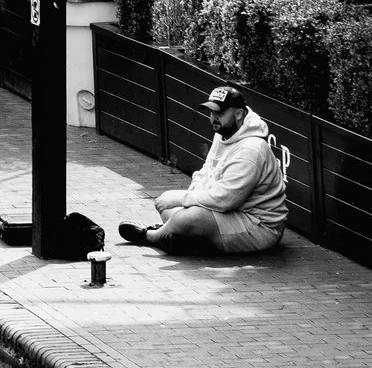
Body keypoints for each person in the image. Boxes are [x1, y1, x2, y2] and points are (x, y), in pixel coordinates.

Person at [120, 86, 288, 254]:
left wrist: (183, 201)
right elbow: (207, 171)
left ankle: (152, 235)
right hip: (230, 213)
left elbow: (225, 199)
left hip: (259, 227)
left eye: (219, 113)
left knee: (189, 217)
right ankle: (181, 238)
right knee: (167, 205)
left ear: (238, 114)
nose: (214, 118)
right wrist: (188, 200)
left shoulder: (251, 149)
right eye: (211, 113)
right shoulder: (224, 133)